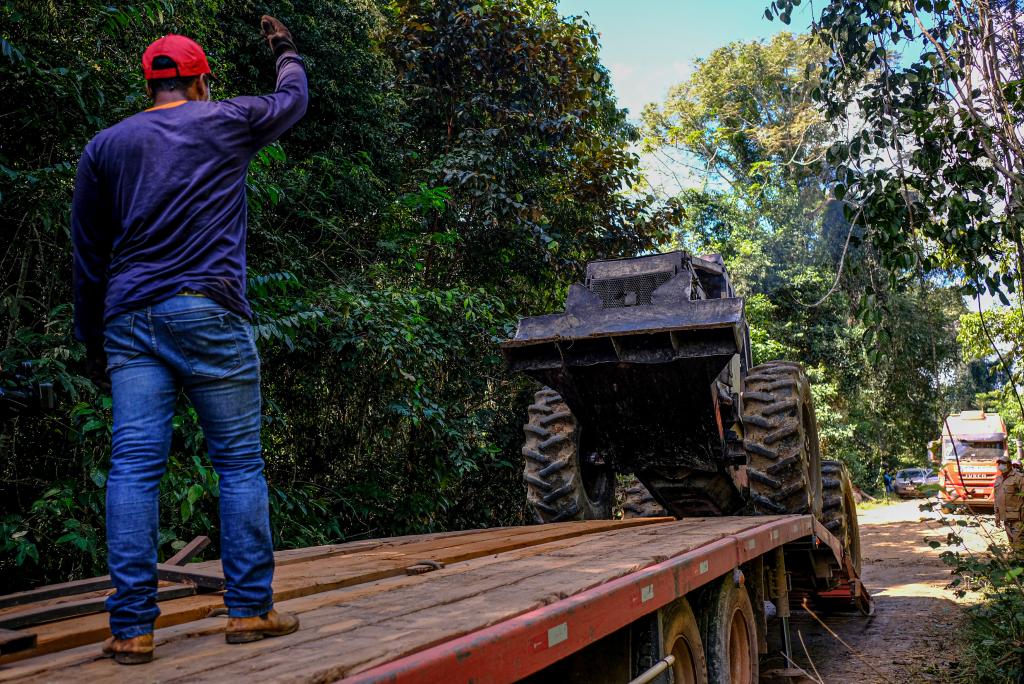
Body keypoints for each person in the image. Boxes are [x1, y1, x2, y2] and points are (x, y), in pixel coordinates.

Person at [71, 17, 308, 665]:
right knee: (238, 463)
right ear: (202, 80)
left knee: (134, 468)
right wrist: (284, 49)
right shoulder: (226, 119)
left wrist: (92, 333)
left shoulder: (106, 146)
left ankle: (131, 628)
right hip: (211, 310)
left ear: (150, 84)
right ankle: (250, 612)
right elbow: (294, 99)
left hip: (131, 318)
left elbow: (88, 252)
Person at [995, 455, 1024, 555]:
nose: (1001, 466)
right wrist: (997, 516)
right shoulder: (998, 479)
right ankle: (1015, 566)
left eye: (1003, 463)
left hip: (1017, 518)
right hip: (1005, 517)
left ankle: (1020, 566)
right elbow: (997, 499)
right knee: (1011, 543)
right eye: (999, 463)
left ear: (1009, 465)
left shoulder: (1018, 478)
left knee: (1018, 544)